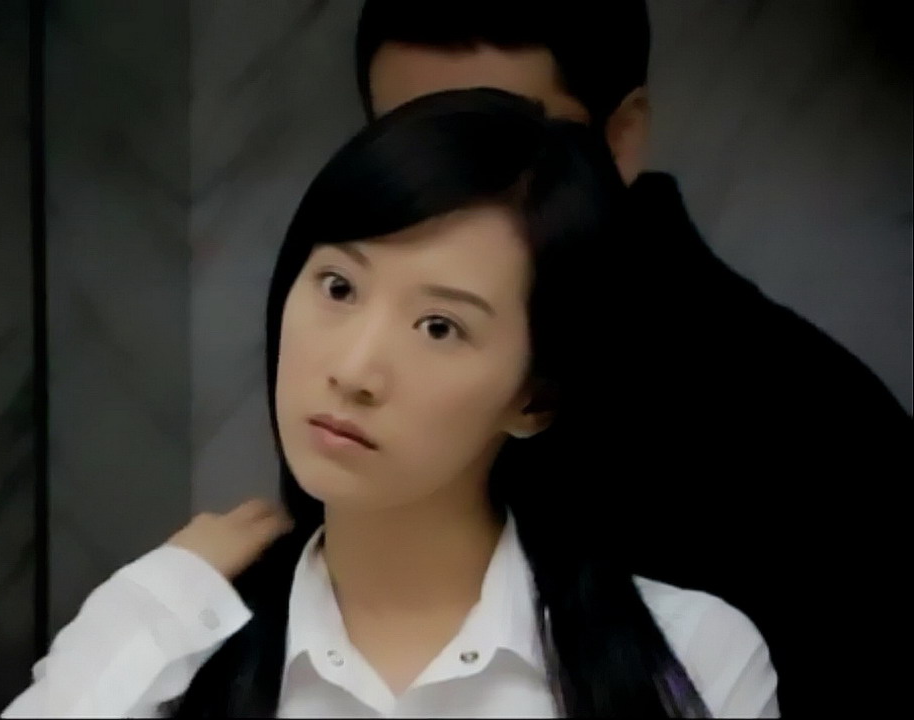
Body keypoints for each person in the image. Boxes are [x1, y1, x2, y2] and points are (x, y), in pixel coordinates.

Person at [2, 89, 778, 718]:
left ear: (535, 398)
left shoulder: (688, 660)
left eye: (440, 327)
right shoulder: (174, 647)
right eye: (338, 287)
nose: (354, 370)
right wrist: (153, 606)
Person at [353, 1, 912, 714]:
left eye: (512, 143)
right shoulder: (357, 375)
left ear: (621, 137)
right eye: (410, 142)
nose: (447, 197)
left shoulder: (814, 429)